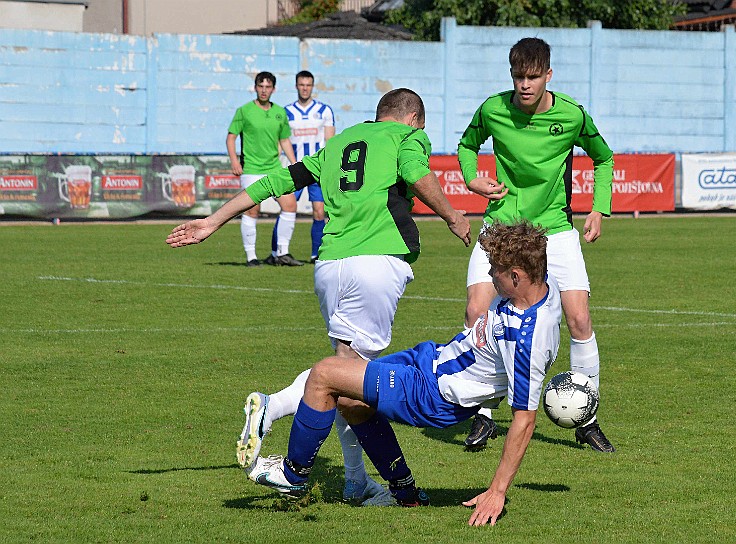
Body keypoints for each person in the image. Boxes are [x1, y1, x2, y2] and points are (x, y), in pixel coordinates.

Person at [166, 88, 471, 504]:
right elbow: (418, 173)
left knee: (348, 382)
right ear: (414, 117)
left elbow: (276, 181)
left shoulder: (340, 141)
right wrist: (453, 215)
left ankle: (356, 482)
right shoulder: (408, 137)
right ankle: (272, 407)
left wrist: (214, 220)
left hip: (329, 266)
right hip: (375, 264)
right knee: (349, 378)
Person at [246, 221, 562, 526]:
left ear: (518, 276)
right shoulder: (540, 287)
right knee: (349, 399)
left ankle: (293, 475)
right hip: (430, 360)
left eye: (496, 271)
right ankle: (405, 494)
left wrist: (497, 491)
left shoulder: (527, 339)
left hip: (434, 393)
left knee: (325, 374)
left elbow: (524, 418)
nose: (491, 276)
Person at [457, 37, 616, 453]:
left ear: (548, 75)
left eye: (532, 76)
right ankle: (483, 414)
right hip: (501, 228)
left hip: (554, 231)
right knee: (478, 312)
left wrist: (599, 209)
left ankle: (587, 418)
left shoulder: (572, 114)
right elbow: (466, 145)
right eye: (517, 77)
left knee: (579, 318)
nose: (524, 85)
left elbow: (604, 157)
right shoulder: (493, 109)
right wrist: (472, 177)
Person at [226, 71, 303, 267]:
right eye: (261, 86)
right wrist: (235, 161)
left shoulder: (279, 112)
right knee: (252, 211)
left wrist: (294, 163)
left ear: (273, 89)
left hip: (274, 168)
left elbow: (284, 140)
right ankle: (251, 257)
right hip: (251, 169)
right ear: (255, 87)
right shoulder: (244, 111)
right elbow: (231, 137)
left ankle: (282, 253)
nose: (264, 90)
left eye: (268, 87)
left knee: (290, 205)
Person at [270, 70, 335, 264]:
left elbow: (330, 140)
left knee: (319, 211)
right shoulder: (286, 112)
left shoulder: (324, 111)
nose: (305, 88)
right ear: (296, 86)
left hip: (317, 168)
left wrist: (329, 166)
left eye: (308, 85)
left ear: (312, 86)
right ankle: (276, 253)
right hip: (294, 168)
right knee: (286, 208)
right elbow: (280, 140)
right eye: (301, 85)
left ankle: (316, 255)